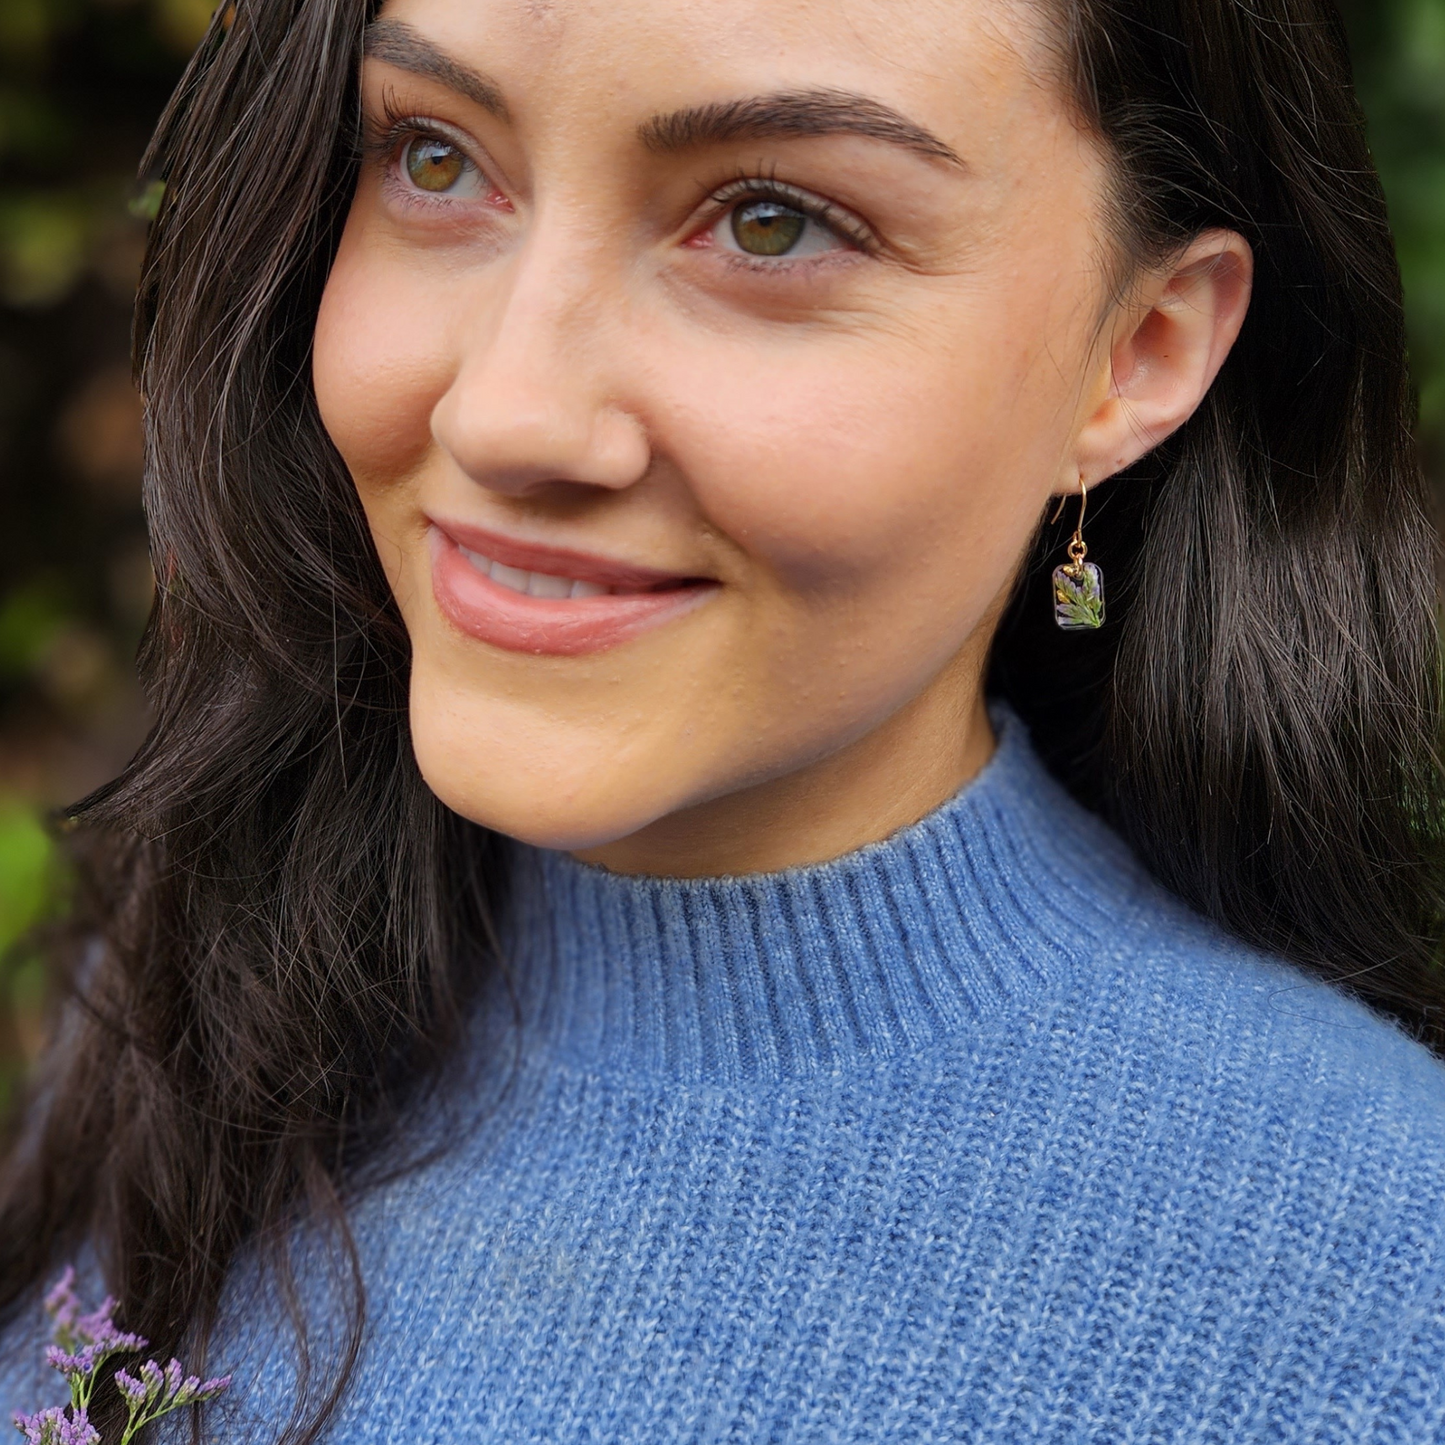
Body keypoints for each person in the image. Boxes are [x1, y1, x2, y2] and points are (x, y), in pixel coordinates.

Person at [5, 0, 1445, 1438]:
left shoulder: (1379, 1298)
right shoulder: (198, 978)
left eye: (772, 223)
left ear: (1136, 352)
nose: (509, 411)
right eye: (436, 159)